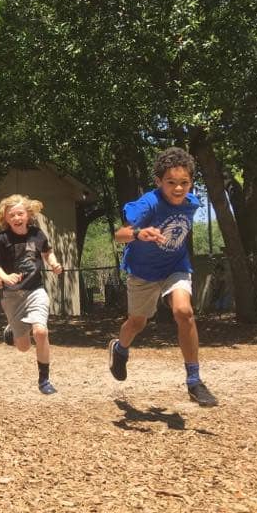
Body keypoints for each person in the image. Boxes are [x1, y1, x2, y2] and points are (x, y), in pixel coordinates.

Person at [107, 147, 218, 407]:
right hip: (143, 271)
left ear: (191, 182)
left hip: (175, 266)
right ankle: (120, 349)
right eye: (171, 183)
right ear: (159, 182)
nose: (178, 189)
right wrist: (138, 233)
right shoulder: (149, 202)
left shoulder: (192, 204)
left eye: (184, 183)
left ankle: (194, 381)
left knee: (184, 312)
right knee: (137, 323)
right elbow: (119, 234)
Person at [0, 194, 63, 395]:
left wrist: (54, 263)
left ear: (28, 214)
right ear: (5, 218)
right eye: (11, 215)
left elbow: (47, 252)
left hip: (35, 291)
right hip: (12, 296)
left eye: (19, 213)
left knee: (41, 332)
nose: (16, 218)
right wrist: (5, 278)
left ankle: (44, 380)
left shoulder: (37, 234)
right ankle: (12, 331)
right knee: (23, 347)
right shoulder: (0, 239)